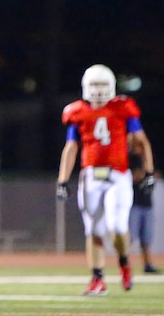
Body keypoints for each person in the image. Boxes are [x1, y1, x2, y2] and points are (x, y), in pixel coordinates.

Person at [57, 64, 154, 295]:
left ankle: (123, 260)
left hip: (118, 174)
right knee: (94, 229)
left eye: (102, 85)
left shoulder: (123, 107)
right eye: (94, 85)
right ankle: (97, 279)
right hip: (90, 175)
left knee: (116, 226)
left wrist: (148, 171)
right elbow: (71, 148)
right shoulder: (77, 111)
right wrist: (62, 180)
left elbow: (142, 141)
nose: (99, 91)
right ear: (85, 87)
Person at [129, 135, 158, 274]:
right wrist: (141, 175)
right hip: (133, 204)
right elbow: (132, 176)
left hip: (147, 204)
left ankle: (147, 264)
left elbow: (154, 175)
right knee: (129, 237)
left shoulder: (147, 161)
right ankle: (124, 264)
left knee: (146, 238)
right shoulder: (129, 159)